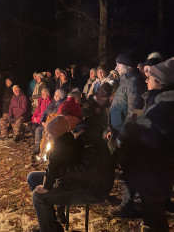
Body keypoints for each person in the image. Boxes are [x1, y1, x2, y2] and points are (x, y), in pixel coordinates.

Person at [27, 98, 114, 232]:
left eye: (62, 117)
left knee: (38, 197)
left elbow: (89, 171)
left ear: (74, 117)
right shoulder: (71, 133)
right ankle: (51, 226)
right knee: (32, 178)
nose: (59, 120)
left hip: (92, 188)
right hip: (75, 180)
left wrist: (59, 177)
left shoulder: (87, 136)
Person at [114, 58, 174, 231]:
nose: (146, 79)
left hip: (154, 169)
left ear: (161, 82)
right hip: (151, 169)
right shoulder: (157, 101)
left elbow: (155, 137)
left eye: (151, 78)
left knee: (154, 211)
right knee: (151, 210)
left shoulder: (164, 107)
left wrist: (132, 128)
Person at [108, 51, 147, 218]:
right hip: (117, 131)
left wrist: (121, 137)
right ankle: (128, 202)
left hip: (128, 136)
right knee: (124, 168)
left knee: (131, 169)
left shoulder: (135, 83)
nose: (115, 67)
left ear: (127, 66)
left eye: (118, 64)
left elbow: (134, 113)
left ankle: (128, 206)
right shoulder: (125, 81)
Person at [33, 89, 66, 155]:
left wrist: (48, 124)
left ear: (61, 96)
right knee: (38, 130)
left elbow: (55, 116)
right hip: (47, 122)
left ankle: (45, 151)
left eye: (57, 95)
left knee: (44, 133)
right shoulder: (53, 103)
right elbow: (45, 112)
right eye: (55, 95)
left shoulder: (61, 105)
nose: (55, 97)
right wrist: (42, 121)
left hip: (52, 126)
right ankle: (38, 147)